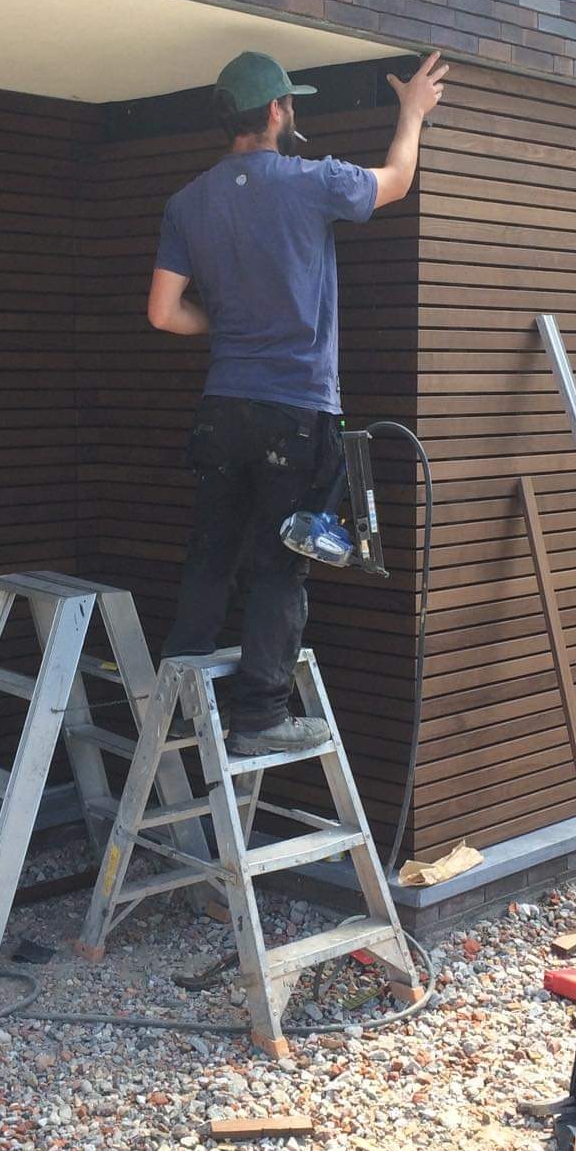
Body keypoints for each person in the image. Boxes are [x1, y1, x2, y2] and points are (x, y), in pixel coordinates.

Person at [146, 47, 447, 754]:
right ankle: (258, 718)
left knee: (211, 553)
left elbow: (163, 313)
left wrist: (226, 322)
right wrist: (412, 112)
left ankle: (179, 696)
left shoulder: (188, 202)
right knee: (282, 559)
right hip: (294, 408)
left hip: (222, 405)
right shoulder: (311, 183)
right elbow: (397, 180)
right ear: (279, 110)